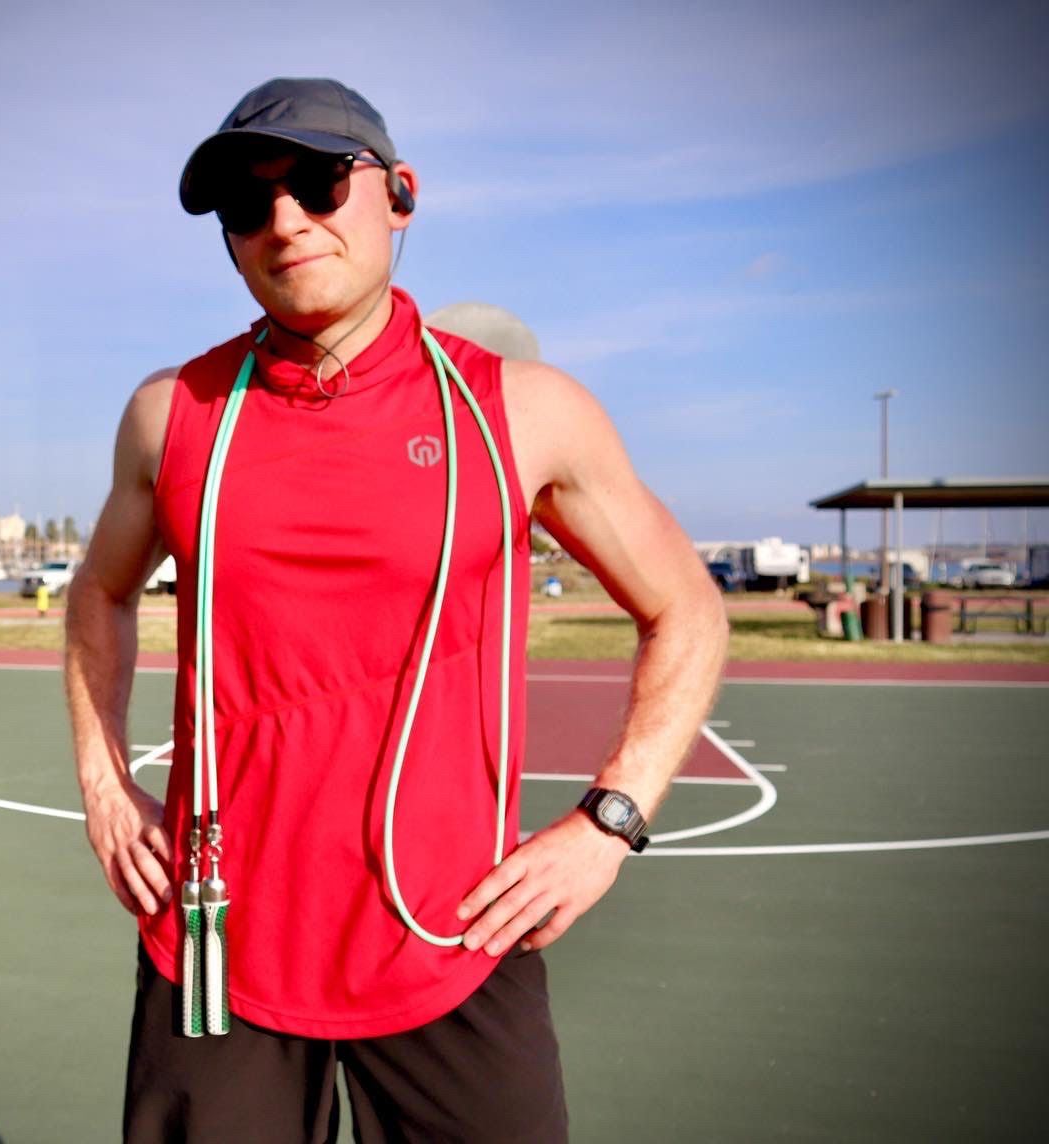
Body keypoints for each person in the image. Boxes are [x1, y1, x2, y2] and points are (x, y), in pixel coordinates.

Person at [65, 76, 728, 1142]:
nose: (286, 220)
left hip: (453, 937)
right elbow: (99, 592)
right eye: (247, 202)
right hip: (218, 943)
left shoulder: (522, 412)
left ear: (401, 193)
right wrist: (103, 784)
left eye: (319, 182)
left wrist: (611, 822)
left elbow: (687, 607)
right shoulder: (173, 415)